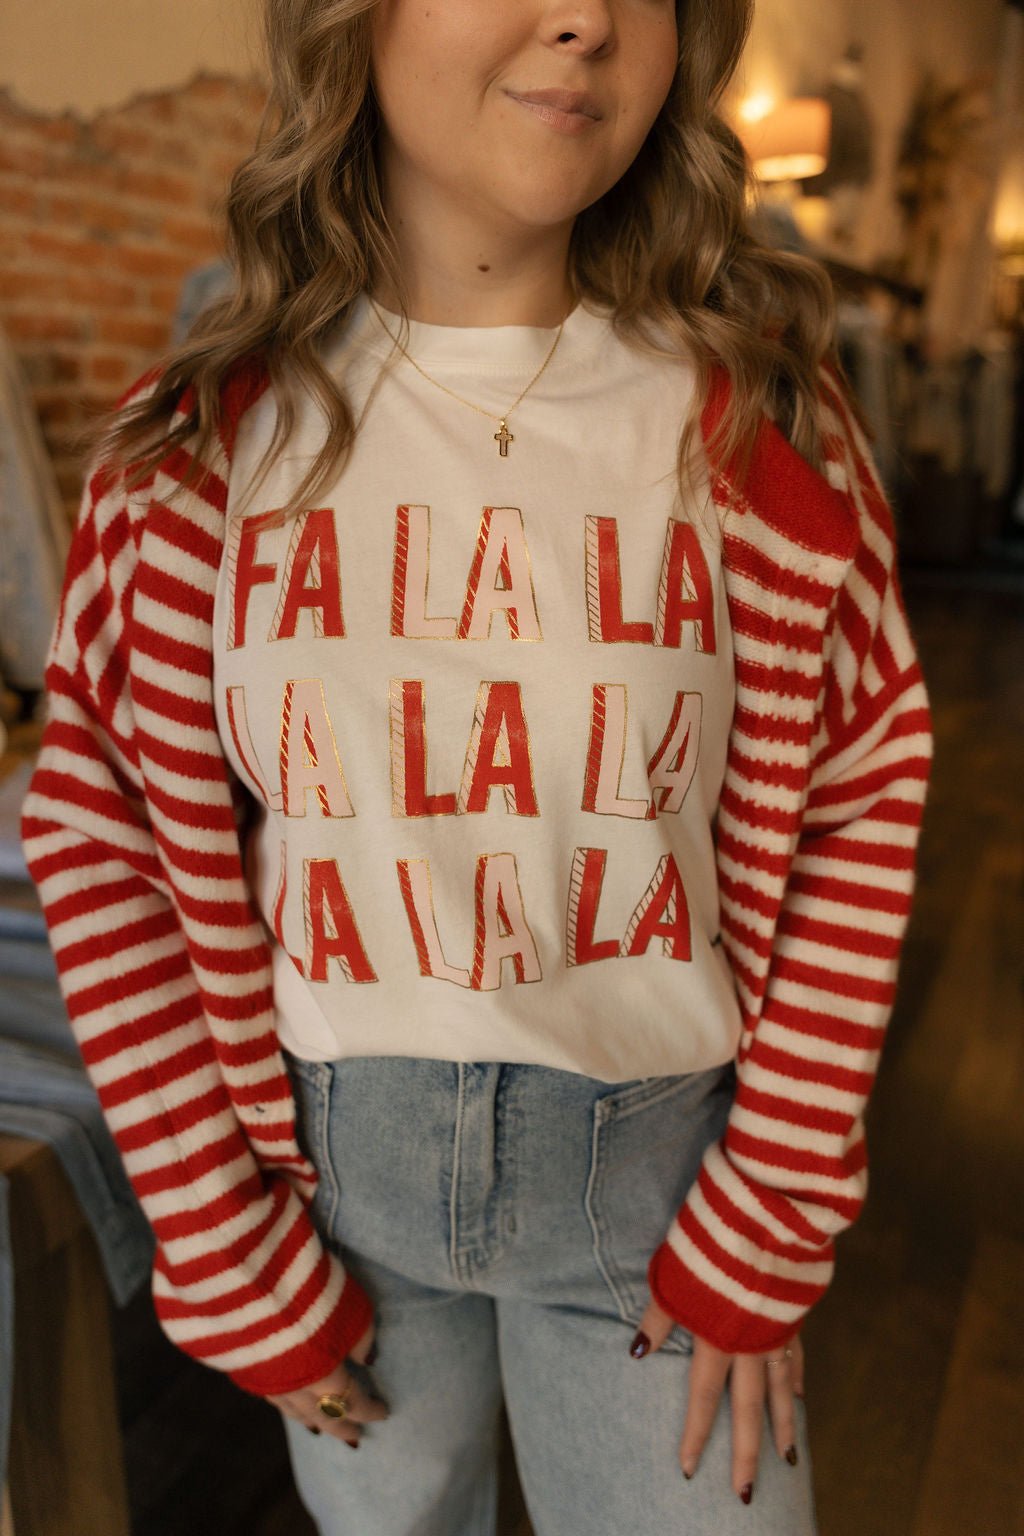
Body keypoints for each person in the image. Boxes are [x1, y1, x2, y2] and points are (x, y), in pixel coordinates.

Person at [21, 0, 932, 1531]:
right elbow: (101, 835)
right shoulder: (195, 452)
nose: (584, 20)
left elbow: (863, 790)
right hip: (332, 1202)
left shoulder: (767, 432)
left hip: (665, 1193)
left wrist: (769, 1215)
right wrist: (222, 1246)